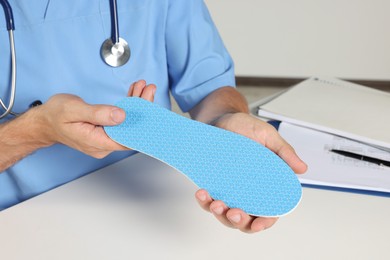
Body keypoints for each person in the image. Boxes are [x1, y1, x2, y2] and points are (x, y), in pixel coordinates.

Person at [0, 0, 307, 233]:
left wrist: (227, 117)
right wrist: (35, 131)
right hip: (24, 217)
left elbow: (208, 87)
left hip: (149, 198)